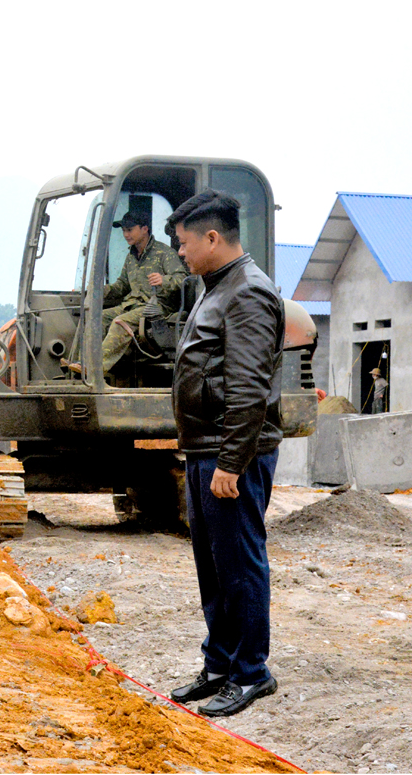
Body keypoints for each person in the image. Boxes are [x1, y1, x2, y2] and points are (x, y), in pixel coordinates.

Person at [166, 190, 284, 718]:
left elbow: (250, 388)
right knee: (213, 566)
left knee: (239, 564)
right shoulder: (214, 288)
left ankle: (251, 672)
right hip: (204, 449)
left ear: (213, 238)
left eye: (185, 243)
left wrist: (233, 463)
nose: (181, 254)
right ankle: (218, 665)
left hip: (231, 453)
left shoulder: (248, 293)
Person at [66, 209, 186, 377]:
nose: (125, 234)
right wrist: (100, 290)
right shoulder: (131, 257)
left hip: (156, 308)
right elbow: (122, 286)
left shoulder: (164, 253)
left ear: (144, 229)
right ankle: (80, 363)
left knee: (120, 323)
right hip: (132, 306)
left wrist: (163, 280)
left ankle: (95, 369)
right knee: (93, 316)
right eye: (123, 230)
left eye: (129, 230)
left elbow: (183, 279)